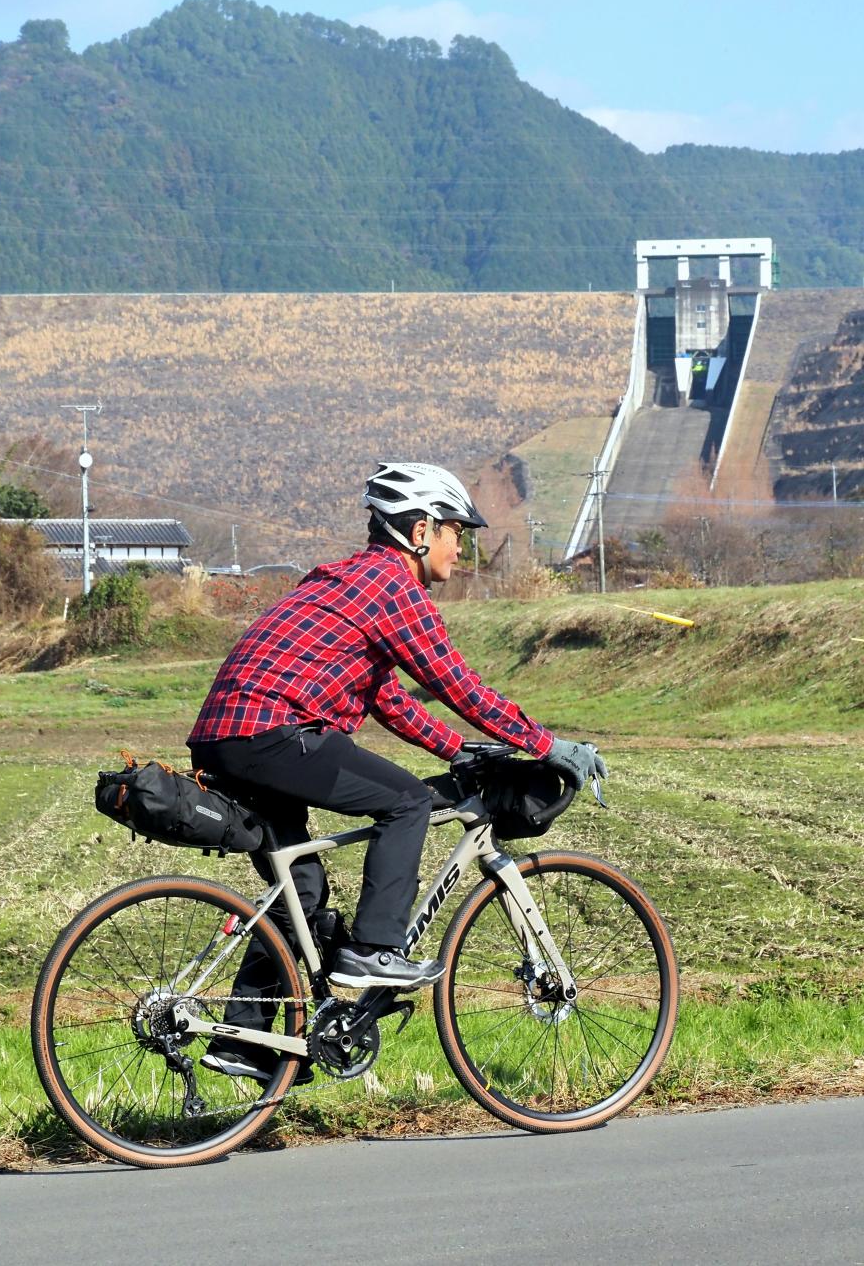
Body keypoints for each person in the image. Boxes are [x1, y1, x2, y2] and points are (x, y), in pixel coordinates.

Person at [187, 461, 606, 1081]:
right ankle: (374, 952)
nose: (462, 546)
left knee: (297, 893)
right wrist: (544, 743)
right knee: (408, 803)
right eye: (455, 532)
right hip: (274, 730)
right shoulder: (392, 587)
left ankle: (244, 1040)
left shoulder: (352, 584)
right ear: (419, 530)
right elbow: (455, 683)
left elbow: (387, 697)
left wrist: (455, 751)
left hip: (227, 735)